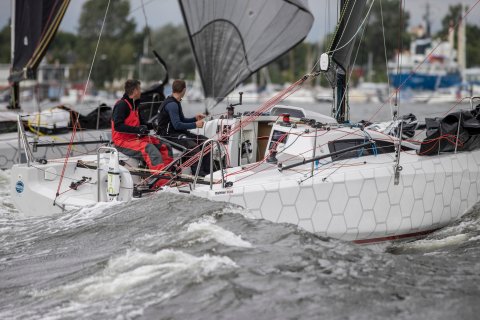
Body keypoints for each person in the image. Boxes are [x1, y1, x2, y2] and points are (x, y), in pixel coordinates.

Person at [111, 79, 173, 175]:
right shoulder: (121, 105)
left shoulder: (135, 105)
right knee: (150, 150)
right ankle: (161, 180)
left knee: (165, 146)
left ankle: (169, 173)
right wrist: (137, 130)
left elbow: (142, 123)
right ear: (135, 91)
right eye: (139, 89)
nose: (141, 92)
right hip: (122, 142)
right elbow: (117, 126)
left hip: (135, 139)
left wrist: (153, 125)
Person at [156, 79, 210, 176]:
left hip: (178, 133)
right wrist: (195, 125)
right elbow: (177, 125)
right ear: (184, 90)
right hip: (168, 136)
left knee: (207, 142)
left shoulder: (175, 102)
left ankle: (208, 172)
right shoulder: (172, 105)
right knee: (193, 148)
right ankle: (198, 175)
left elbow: (182, 121)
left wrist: (194, 119)